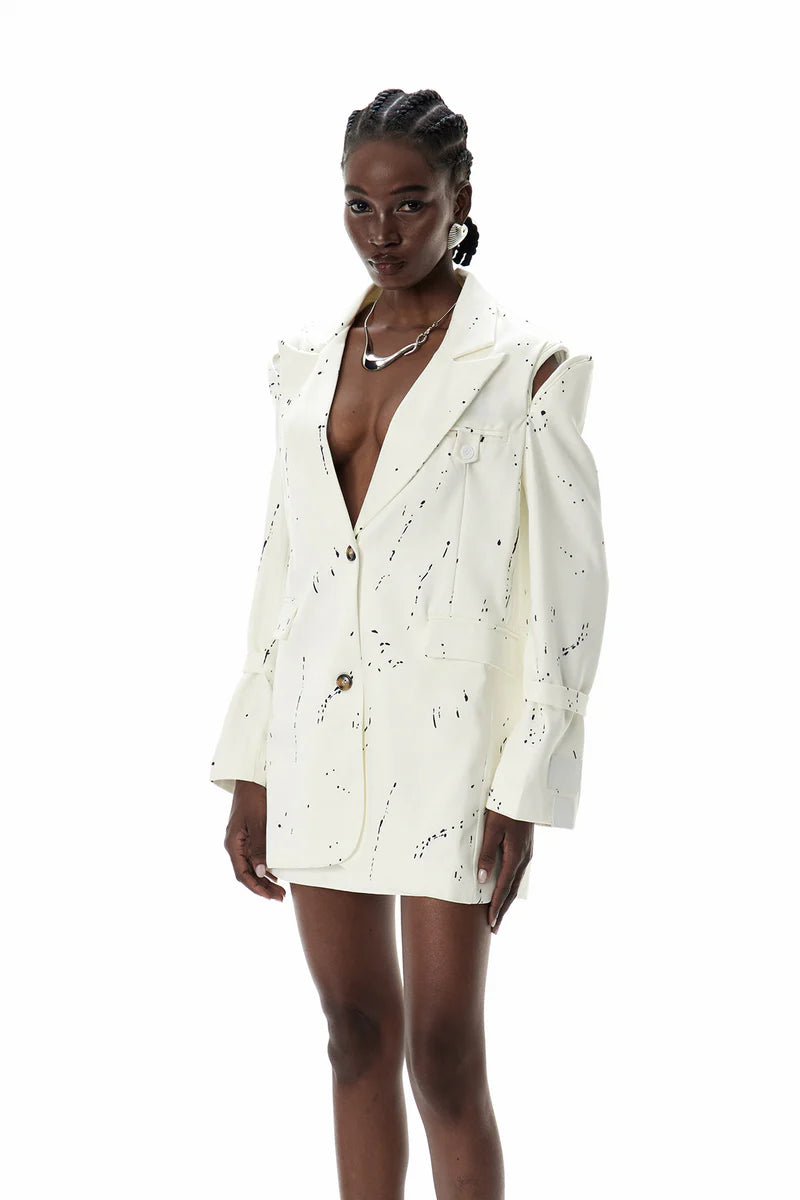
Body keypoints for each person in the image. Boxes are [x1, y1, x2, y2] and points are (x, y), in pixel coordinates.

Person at [209, 87, 608, 1198]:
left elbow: (569, 589)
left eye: (410, 203)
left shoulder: (525, 368)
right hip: (314, 738)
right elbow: (283, 571)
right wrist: (250, 760)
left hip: (451, 750)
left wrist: (526, 776)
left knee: (443, 1056)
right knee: (351, 1034)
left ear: (459, 199)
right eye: (359, 205)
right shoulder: (303, 365)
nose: (382, 232)